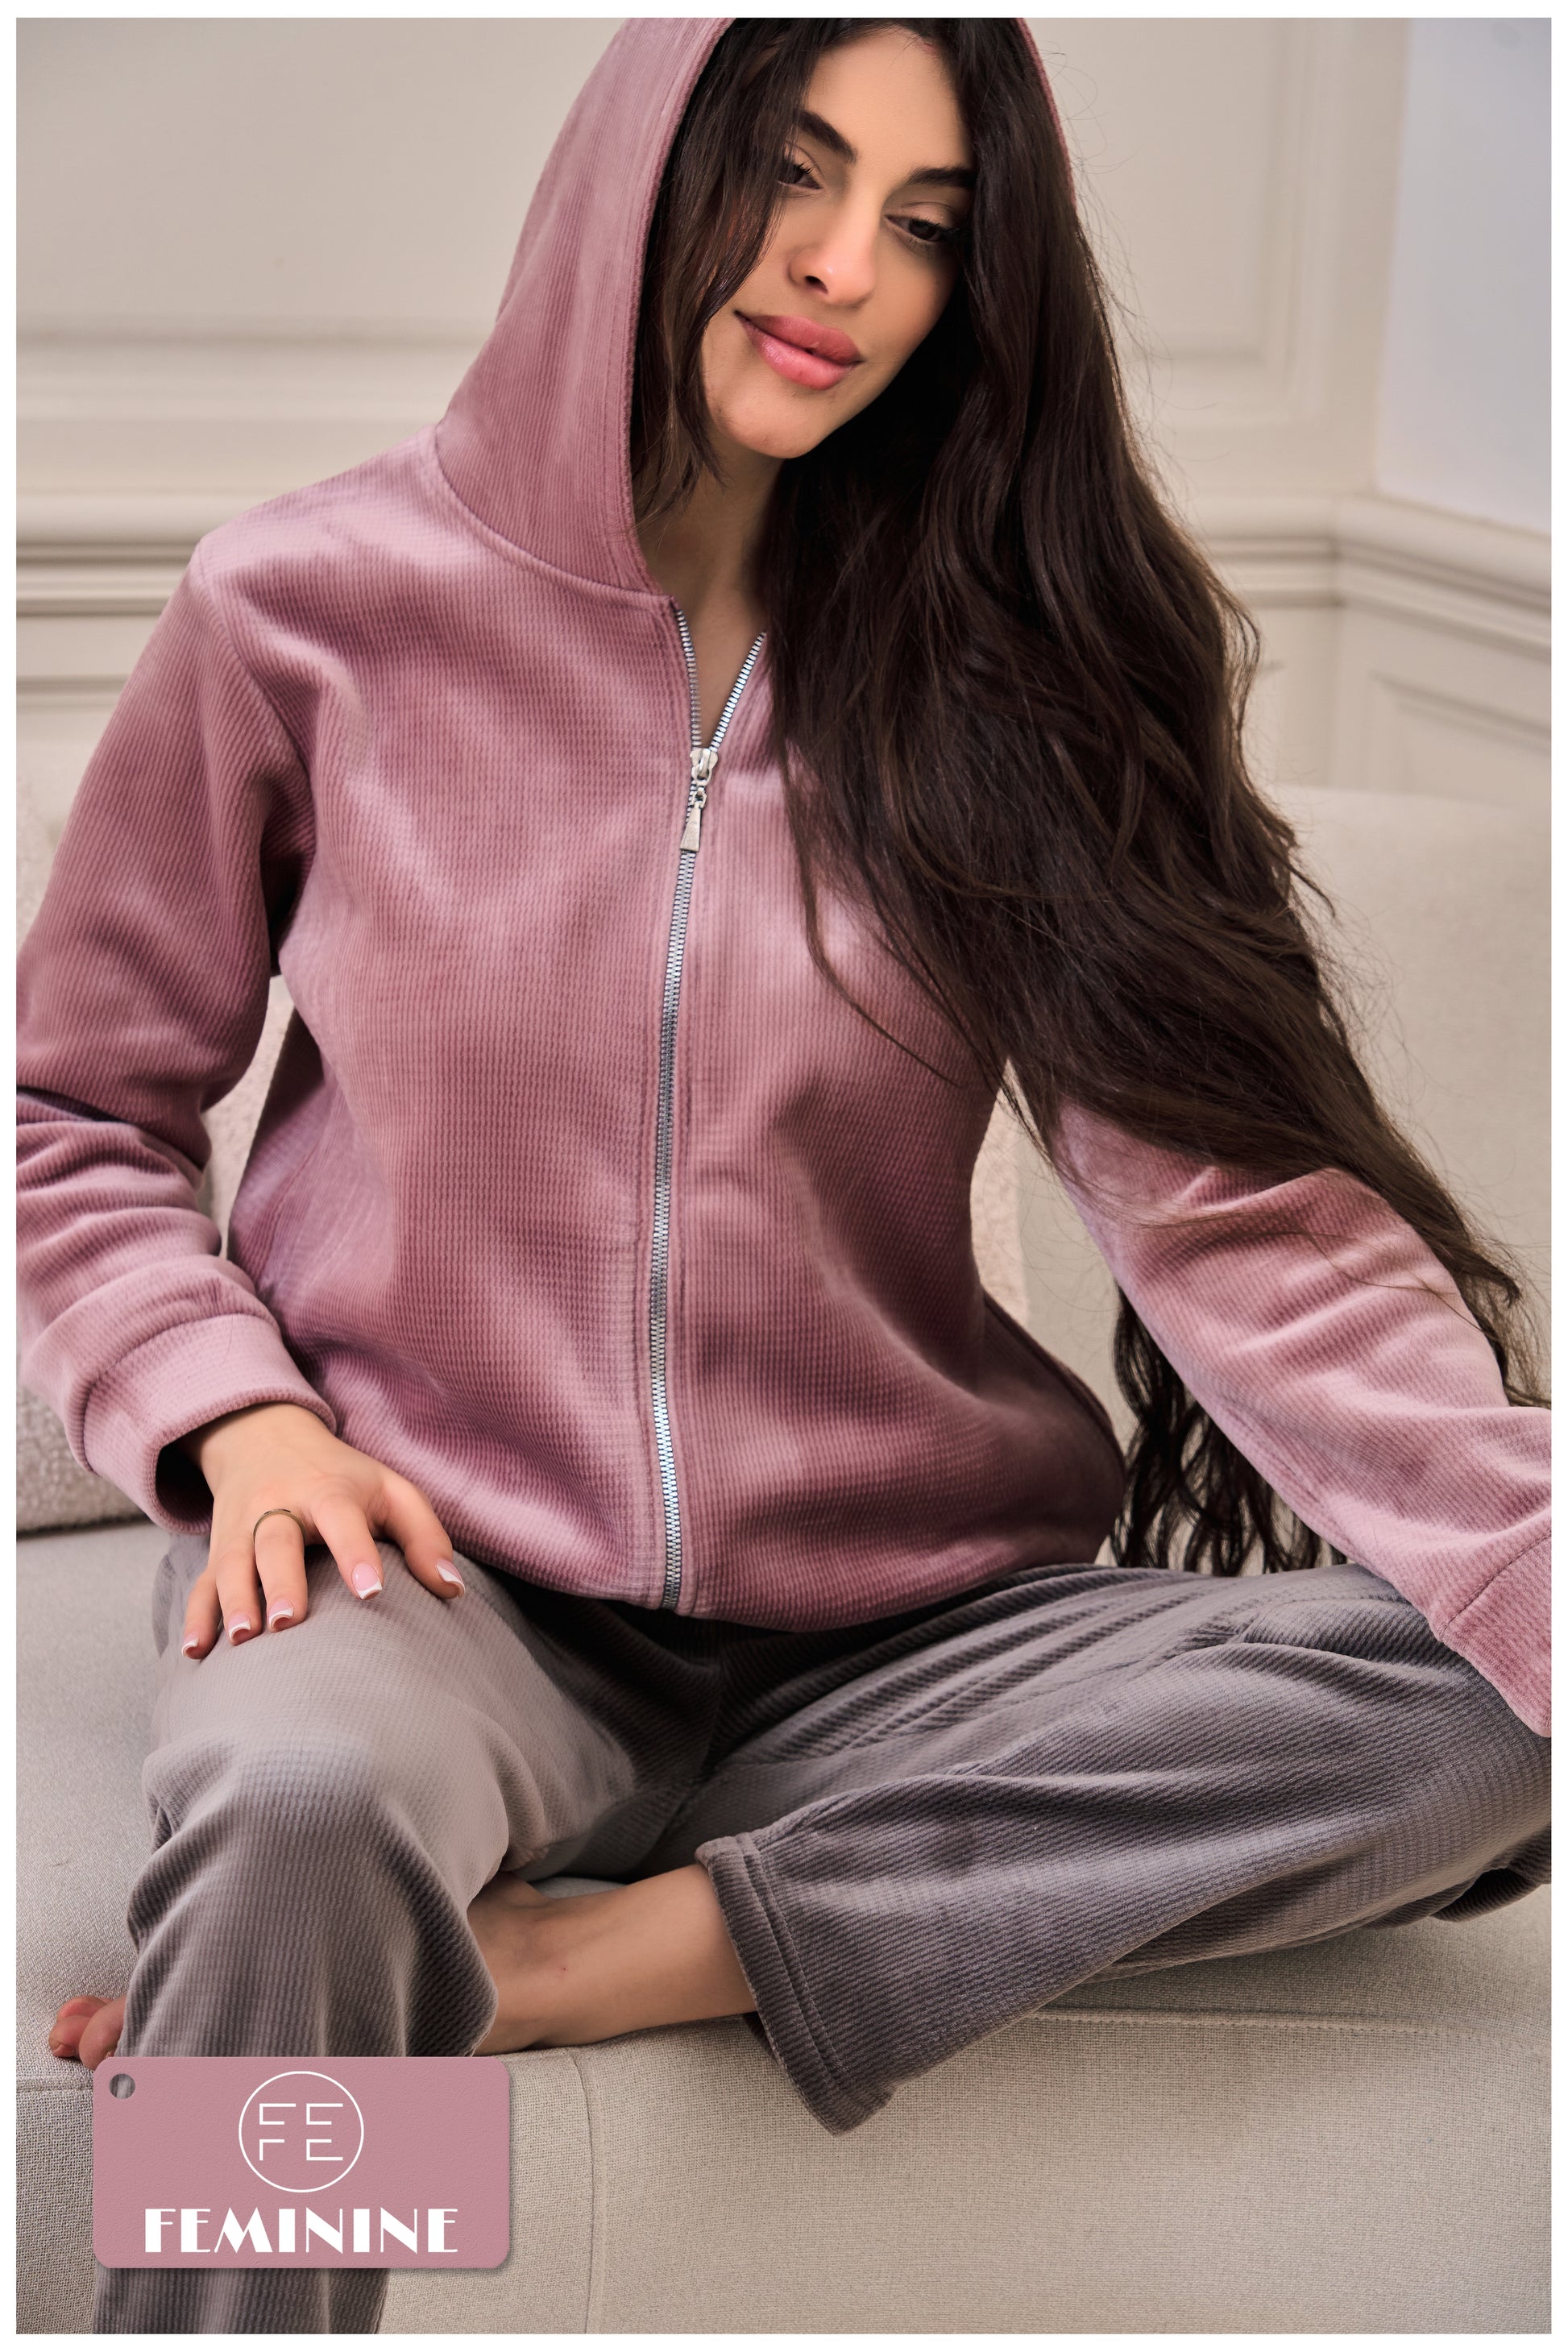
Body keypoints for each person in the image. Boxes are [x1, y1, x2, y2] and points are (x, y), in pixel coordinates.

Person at [19, 18, 1549, 2336]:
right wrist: (240, 1422)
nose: (844, 268)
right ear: (639, 170)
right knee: (302, 1811)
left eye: (927, 225)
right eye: (795, 173)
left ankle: (586, 1963)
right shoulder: (301, 614)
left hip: (902, 1629)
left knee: (1486, 1699)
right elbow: (81, 1111)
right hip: (432, 1580)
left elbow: (1241, 1213)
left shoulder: (1002, 675)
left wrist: (1525, 1551)